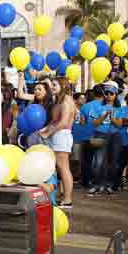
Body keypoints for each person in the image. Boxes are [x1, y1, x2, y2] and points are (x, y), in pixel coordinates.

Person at [38, 77, 76, 209]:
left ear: (63, 86)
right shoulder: (59, 100)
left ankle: (67, 199)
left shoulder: (67, 101)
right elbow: (55, 121)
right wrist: (45, 129)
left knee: (63, 168)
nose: (52, 87)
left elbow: (64, 122)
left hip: (62, 136)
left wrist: (48, 133)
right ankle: (63, 196)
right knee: (58, 168)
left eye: (55, 85)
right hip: (57, 135)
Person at [88, 81, 121, 195]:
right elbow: (95, 123)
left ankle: (109, 184)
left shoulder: (119, 107)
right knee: (98, 162)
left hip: (115, 136)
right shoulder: (97, 106)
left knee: (114, 162)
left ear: (116, 95)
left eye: (111, 93)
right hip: (100, 135)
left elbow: (119, 125)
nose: (109, 96)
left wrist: (112, 118)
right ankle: (97, 184)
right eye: (106, 93)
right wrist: (104, 115)